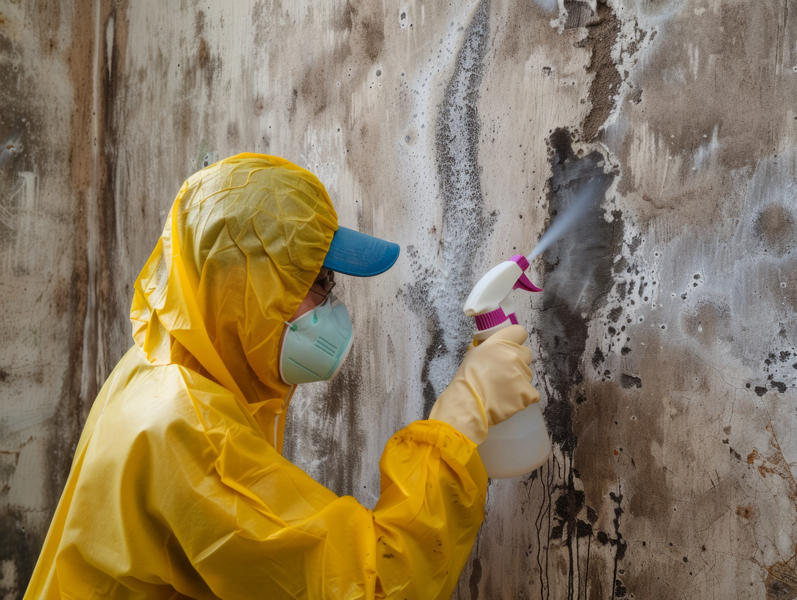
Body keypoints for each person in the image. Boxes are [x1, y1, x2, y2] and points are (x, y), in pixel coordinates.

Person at [25, 153, 539, 599]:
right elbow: (374, 585)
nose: (330, 307)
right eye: (315, 282)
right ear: (240, 287)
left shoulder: (153, 367)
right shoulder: (189, 432)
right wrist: (457, 421)